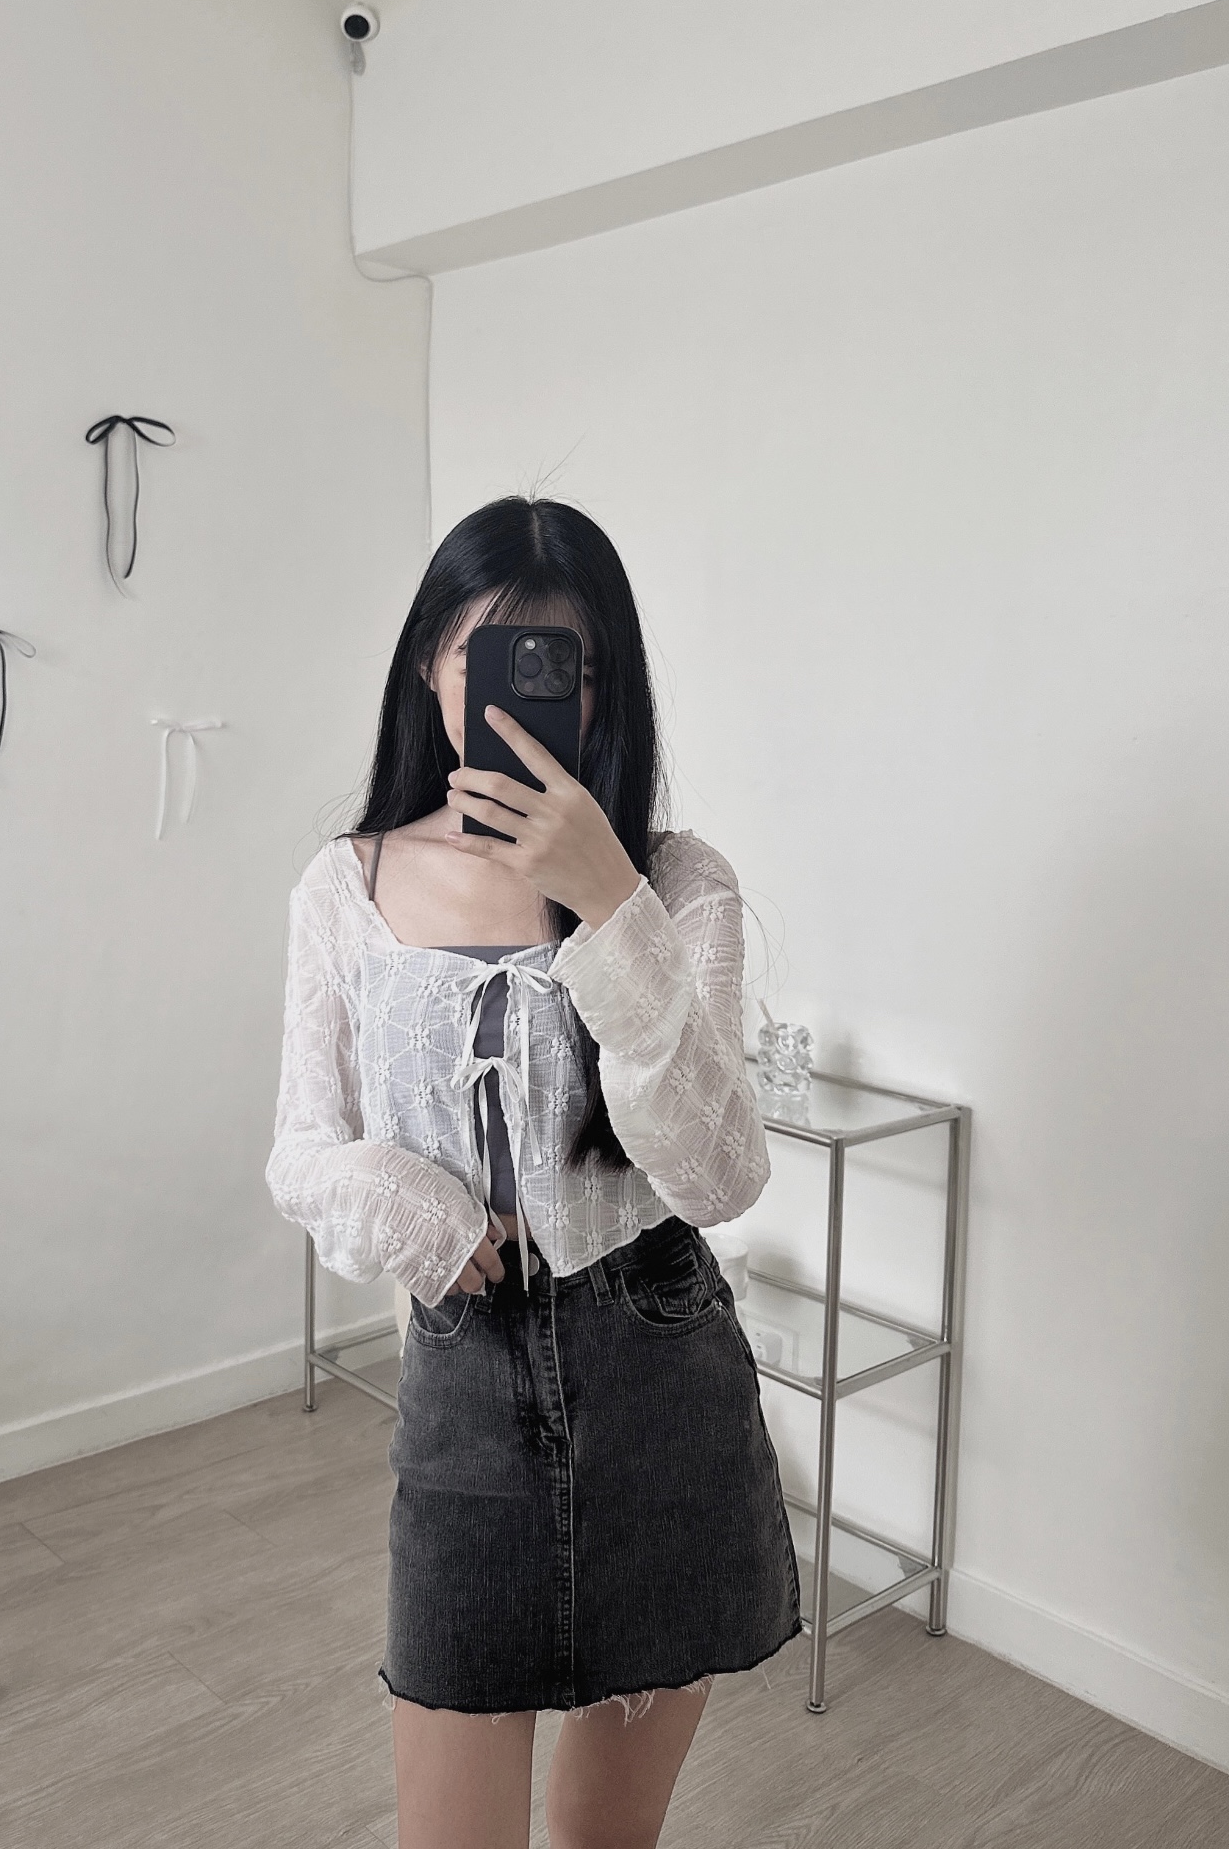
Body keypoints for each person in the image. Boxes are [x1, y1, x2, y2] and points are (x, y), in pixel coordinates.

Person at [266, 497, 800, 1849]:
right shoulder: (346, 885)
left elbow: (718, 1175)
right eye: (492, 657)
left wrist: (609, 901)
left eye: (570, 666)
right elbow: (301, 1152)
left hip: (661, 1374)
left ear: (608, 688)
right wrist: (418, 1214)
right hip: (465, 1387)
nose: (530, 694)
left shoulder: (678, 884)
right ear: (430, 668)